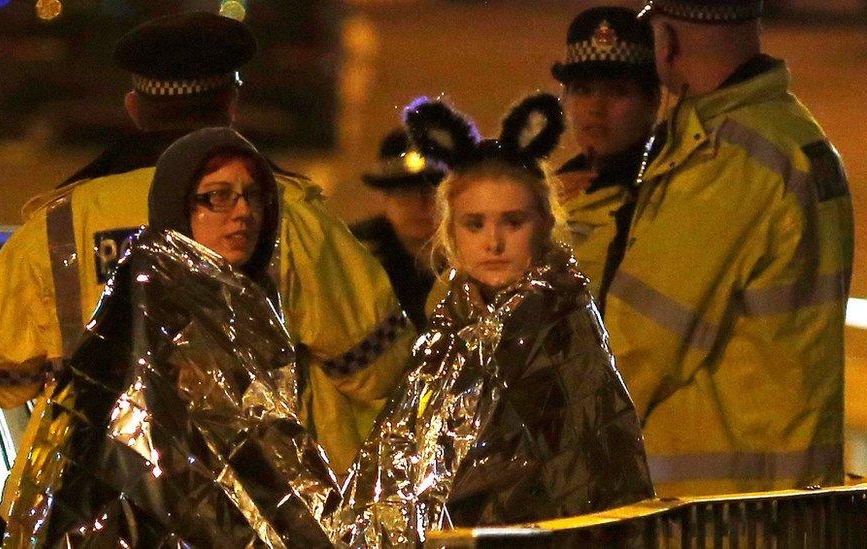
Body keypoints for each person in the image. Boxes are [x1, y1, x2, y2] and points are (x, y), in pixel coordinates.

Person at [0, 11, 414, 517]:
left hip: (98, 510)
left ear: (135, 108)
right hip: (264, 513)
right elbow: (379, 370)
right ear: (231, 103)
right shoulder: (286, 214)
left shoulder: (56, 228)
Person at [338, 94, 654, 546]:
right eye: (475, 224)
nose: (494, 242)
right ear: (450, 233)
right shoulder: (448, 331)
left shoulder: (561, 327)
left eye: (512, 221)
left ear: (544, 224)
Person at [5, 128, 342, 547]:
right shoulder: (153, 303)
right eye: (218, 197)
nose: (242, 213)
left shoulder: (248, 301)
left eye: (253, 196)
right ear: (178, 205)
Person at [599, 0, 855, 496]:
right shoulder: (792, 135)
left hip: (714, 511)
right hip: (779, 498)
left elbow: (634, 348)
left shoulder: (727, 160)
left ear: (667, 44)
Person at [552, 6, 661, 308]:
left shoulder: (666, 198)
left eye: (617, 92)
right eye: (583, 90)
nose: (596, 108)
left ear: (652, 102)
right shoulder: (548, 192)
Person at [351, 129, 446, 328]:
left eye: (433, 191)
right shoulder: (357, 256)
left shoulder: (472, 257)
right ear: (383, 199)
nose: (422, 204)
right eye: (405, 192)